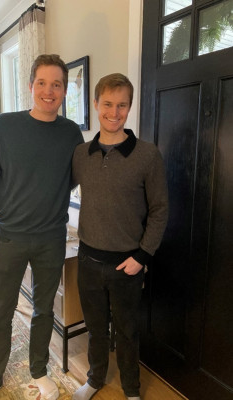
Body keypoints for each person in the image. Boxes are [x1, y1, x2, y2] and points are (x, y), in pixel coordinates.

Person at [0, 54, 84, 400]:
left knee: (44, 310)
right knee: (1, 312)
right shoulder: (3, 126)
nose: (49, 91)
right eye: (42, 83)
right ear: (30, 85)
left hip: (52, 239)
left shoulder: (70, 133)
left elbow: (80, 180)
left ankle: (39, 371)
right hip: (10, 239)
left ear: (65, 91)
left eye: (57, 84)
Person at [72, 73, 168, 400]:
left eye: (122, 105)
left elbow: (159, 210)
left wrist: (142, 258)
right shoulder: (81, 155)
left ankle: (131, 390)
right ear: (96, 105)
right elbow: (54, 190)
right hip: (87, 261)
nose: (114, 112)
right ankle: (95, 379)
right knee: (95, 330)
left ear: (130, 107)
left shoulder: (147, 155)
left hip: (127, 265)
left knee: (127, 333)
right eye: (108, 104)